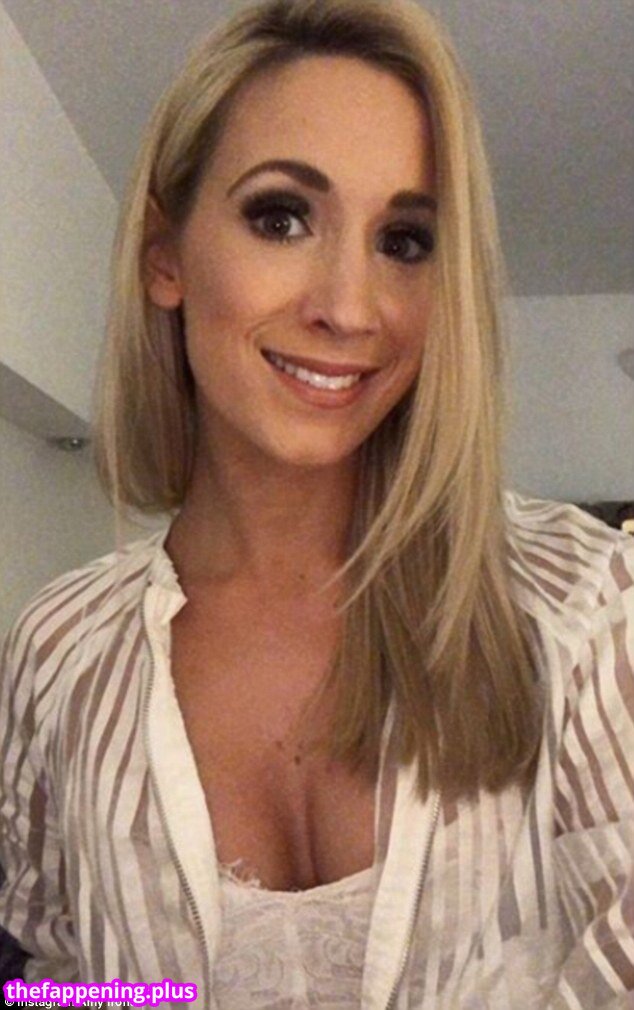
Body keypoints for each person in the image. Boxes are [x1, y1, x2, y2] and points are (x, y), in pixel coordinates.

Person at [1, 0, 633, 1006]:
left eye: (406, 240)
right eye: (281, 218)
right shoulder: (55, 650)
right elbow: (54, 978)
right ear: (166, 256)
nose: (347, 306)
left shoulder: (588, 607)